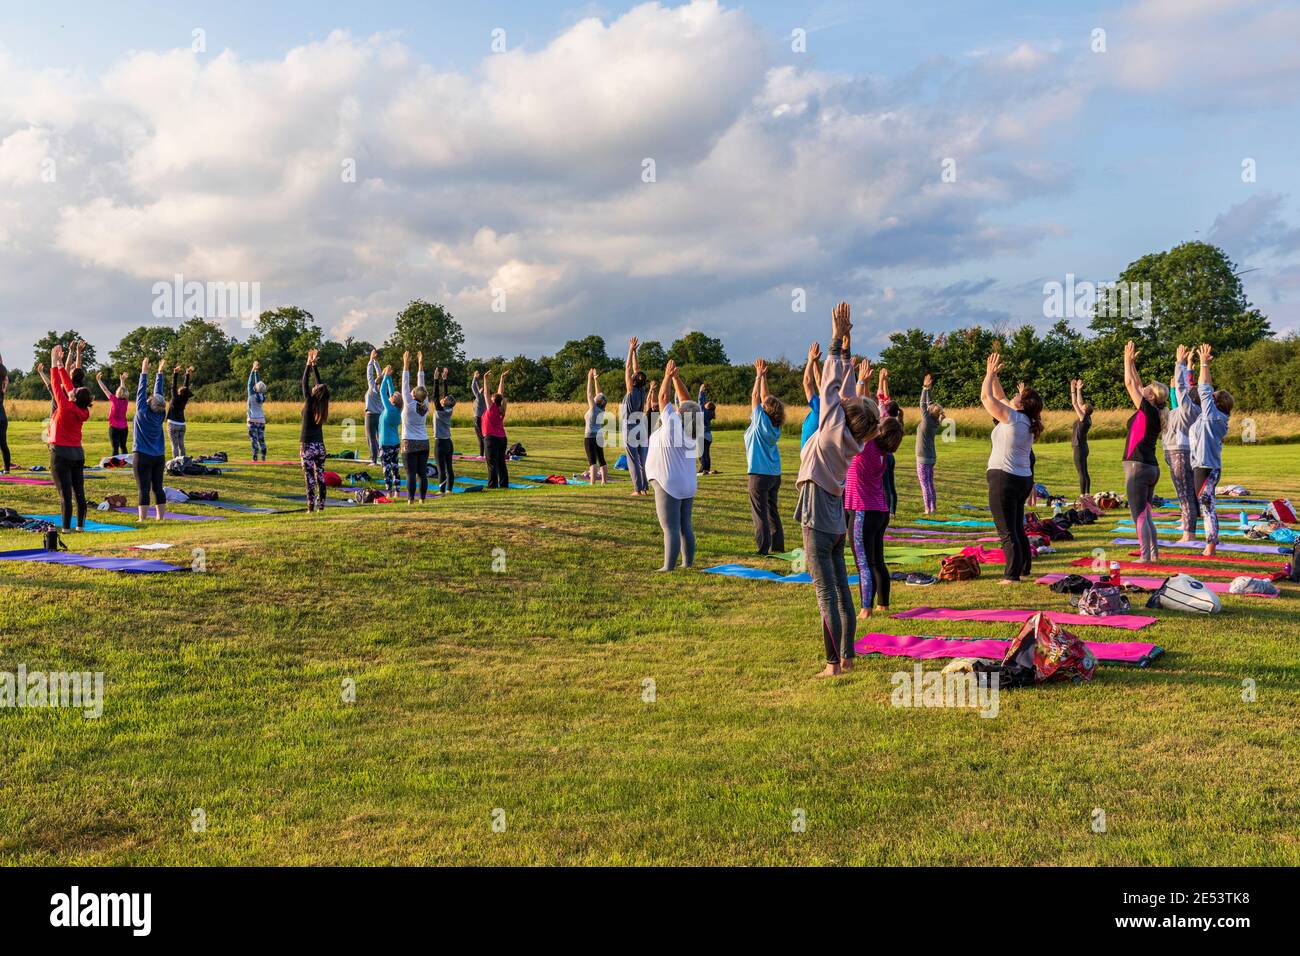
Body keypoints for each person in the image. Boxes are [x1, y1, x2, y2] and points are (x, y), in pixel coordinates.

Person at [796, 302, 877, 678]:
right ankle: (847, 655)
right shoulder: (852, 439)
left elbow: (830, 384)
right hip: (834, 516)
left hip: (817, 511)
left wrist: (836, 341)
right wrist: (847, 343)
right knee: (842, 589)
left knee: (825, 592)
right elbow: (841, 388)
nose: (847, 398)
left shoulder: (830, 428)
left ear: (844, 414)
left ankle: (833, 665)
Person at [980, 350, 1042, 583]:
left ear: (1022, 404)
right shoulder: (1023, 418)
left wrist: (987, 374)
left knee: (1006, 531)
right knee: (1016, 528)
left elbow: (987, 399)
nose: (1015, 395)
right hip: (1020, 479)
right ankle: (1024, 568)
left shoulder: (1013, 418)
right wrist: (994, 375)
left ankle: (1012, 575)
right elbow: (1000, 395)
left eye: (1020, 395)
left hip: (1004, 479)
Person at [847, 396, 903, 620]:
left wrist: (861, 386)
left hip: (863, 511)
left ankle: (865, 609)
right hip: (880, 511)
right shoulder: (883, 453)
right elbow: (876, 416)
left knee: (864, 562)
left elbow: (866, 414)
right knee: (877, 560)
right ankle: (883, 604)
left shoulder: (867, 445)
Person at [645, 359, 699, 571]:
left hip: (668, 482)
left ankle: (668, 566)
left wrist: (667, 376)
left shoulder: (673, 423)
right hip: (687, 483)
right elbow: (687, 401)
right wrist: (676, 378)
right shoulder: (694, 428)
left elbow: (663, 397)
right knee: (685, 525)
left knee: (670, 527)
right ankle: (688, 563)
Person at [1120, 340, 1168, 563]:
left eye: (1149, 387)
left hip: (1137, 467)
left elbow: (1129, 383)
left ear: (1151, 396)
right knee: (1146, 513)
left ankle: (1145, 557)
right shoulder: (1153, 410)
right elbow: (1136, 381)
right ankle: (1154, 554)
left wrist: (1126, 360)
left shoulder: (1147, 409)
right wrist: (1132, 363)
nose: (1144, 387)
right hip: (1150, 467)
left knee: (1138, 514)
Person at [1188, 343, 1232, 558]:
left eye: (1212, 398)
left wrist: (1204, 363)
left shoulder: (1213, 417)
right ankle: (1210, 543)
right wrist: (1189, 368)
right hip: (1206, 465)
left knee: (1207, 507)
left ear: (1216, 403)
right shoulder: (1211, 418)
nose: (1208, 398)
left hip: (1206, 467)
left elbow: (1204, 389)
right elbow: (1195, 393)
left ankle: (1211, 546)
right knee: (1206, 505)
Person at [48, 342, 92, 532]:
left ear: (74, 397)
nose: (72, 390)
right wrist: (60, 364)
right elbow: (66, 383)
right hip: (77, 454)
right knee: (79, 493)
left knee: (65, 494)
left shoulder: (65, 406)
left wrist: (54, 362)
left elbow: (56, 384)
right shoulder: (83, 411)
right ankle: (80, 527)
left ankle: (65, 528)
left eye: (74, 392)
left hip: (61, 453)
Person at [745, 358, 785, 555]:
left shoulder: (760, 420)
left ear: (764, 411)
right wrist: (764, 377)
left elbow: (755, 396)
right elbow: (764, 398)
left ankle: (762, 548)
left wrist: (758, 376)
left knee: (759, 512)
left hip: (758, 474)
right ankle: (777, 546)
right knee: (772, 511)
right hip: (774, 474)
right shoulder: (774, 424)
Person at [1162, 346, 1199, 541]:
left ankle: (1188, 532)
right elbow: (1186, 389)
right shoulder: (1199, 410)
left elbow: (1182, 390)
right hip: (1189, 452)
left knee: (1185, 495)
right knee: (1189, 494)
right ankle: (1188, 524)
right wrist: (1190, 365)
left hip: (1180, 452)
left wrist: (1181, 364)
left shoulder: (1185, 410)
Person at [132, 357, 169, 521]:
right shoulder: (161, 414)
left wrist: (144, 371)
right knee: (158, 487)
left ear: (150, 403)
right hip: (159, 457)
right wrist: (160, 373)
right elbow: (158, 393)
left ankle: (142, 518)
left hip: (142, 455)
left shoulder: (142, 411)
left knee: (143, 488)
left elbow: (142, 389)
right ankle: (160, 517)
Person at [300, 349, 330, 513]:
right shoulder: (322, 403)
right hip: (320, 446)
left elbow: (304, 383)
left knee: (310, 478)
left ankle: (310, 507)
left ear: (315, 392)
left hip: (308, 446)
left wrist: (307, 365)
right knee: (320, 476)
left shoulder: (310, 402)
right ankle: (321, 506)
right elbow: (320, 385)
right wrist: (314, 366)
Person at [400, 352, 431, 504]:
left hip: (409, 443)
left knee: (410, 474)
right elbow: (422, 387)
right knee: (422, 474)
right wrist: (420, 365)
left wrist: (406, 363)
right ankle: (422, 499)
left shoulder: (408, 405)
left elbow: (404, 382)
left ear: (413, 395)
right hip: (424, 442)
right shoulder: (426, 405)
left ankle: (411, 499)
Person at [622, 338, 650, 496]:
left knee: (632, 459)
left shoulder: (631, 390)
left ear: (633, 381)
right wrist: (634, 351)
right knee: (643, 459)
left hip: (631, 426)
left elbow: (628, 368)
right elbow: (636, 369)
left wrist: (629, 350)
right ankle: (644, 488)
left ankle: (637, 489)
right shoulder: (642, 390)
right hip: (641, 426)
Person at [915, 372, 942, 514]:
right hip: (931, 457)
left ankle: (928, 508)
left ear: (929, 412)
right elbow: (929, 404)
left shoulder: (926, 420)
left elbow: (922, 404)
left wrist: (925, 388)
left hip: (923, 458)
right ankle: (933, 507)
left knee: (924, 484)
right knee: (930, 483)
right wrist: (928, 389)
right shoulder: (935, 421)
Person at [875, 367, 899, 516]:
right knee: (891, 485)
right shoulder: (892, 418)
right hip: (891, 456)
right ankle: (893, 511)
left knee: (884, 486)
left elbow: (880, 396)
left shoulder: (883, 416)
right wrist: (885, 380)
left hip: (883, 455)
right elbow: (886, 397)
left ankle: (887, 509)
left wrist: (880, 378)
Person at [378, 364, 403, 497]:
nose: (390, 396)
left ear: (392, 401)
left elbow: (382, 392)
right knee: (395, 467)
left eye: (392, 397)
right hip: (395, 443)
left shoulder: (388, 409)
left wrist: (385, 376)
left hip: (386, 444)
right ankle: (397, 491)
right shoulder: (398, 410)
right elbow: (391, 391)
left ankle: (388, 491)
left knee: (386, 468)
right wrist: (388, 378)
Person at [483, 369, 510, 489]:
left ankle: (492, 485)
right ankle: (504, 484)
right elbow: (501, 394)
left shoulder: (492, 409)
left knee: (491, 464)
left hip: (491, 439)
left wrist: (485, 379)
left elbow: (486, 393)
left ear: (493, 401)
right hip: (502, 438)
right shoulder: (501, 408)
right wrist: (502, 379)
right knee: (501, 463)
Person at [95, 370, 132, 457]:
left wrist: (99, 380)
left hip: (114, 427)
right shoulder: (125, 401)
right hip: (124, 428)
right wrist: (122, 381)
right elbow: (123, 390)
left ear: (117, 393)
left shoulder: (114, 400)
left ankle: (115, 464)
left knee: (115, 448)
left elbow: (105, 389)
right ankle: (125, 462)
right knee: (123, 446)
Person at [431, 367, 456, 495]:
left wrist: (436, 379)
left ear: (445, 403)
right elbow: (444, 397)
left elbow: (435, 397)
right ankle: (449, 490)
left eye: (445, 399)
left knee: (441, 468)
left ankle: (441, 491)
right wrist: (444, 379)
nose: (443, 398)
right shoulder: (449, 410)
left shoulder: (441, 411)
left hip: (440, 443)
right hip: (448, 443)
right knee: (449, 467)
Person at [584, 368, 609, 486]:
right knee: (602, 459)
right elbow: (599, 394)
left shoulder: (593, 408)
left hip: (589, 437)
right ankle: (604, 481)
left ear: (596, 401)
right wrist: (595, 378)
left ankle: (592, 482)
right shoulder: (602, 409)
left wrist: (589, 379)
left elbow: (589, 393)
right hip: (599, 436)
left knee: (592, 460)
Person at [1070, 378, 1093, 496]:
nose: (1081, 407)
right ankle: (1087, 494)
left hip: (1079, 447)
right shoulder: (1087, 418)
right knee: (1084, 472)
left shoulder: (1083, 418)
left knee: (1081, 473)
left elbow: (1075, 403)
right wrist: (1079, 390)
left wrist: (1072, 389)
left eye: (1082, 407)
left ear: (1084, 411)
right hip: (1083, 447)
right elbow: (1079, 403)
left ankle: (1082, 496)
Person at [165, 365, 194, 459]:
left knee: (174, 445)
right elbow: (186, 387)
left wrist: (175, 374)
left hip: (172, 424)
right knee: (181, 444)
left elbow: (173, 386)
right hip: (182, 424)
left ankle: (176, 463)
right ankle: (184, 461)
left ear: (179, 392)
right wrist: (187, 375)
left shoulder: (175, 398)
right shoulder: (185, 398)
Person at [800, 342, 822, 450]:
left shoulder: (820, 408)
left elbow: (807, 383)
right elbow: (819, 382)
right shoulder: (832, 403)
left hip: (811, 460)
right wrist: (815, 362)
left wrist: (810, 361)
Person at [364, 349, 384, 464]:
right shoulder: (382, 389)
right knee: (380, 438)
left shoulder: (373, 388)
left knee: (371, 438)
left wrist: (371, 360)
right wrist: (376, 362)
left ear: (376, 382)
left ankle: (373, 460)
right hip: (380, 415)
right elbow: (379, 375)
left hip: (371, 415)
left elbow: (369, 374)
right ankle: (382, 458)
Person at [247, 361, 268, 461]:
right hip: (261, 420)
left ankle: (255, 456)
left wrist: (252, 370)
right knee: (261, 439)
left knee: (254, 440)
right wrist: (256, 371)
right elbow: (258, 383)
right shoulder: (262, 396)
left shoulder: (251, 395)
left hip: (252, 420)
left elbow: (250, 382)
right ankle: (263, 456)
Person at [697, 382, 716, 475]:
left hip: (703, 436)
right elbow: (703, 402)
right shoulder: (709, 412)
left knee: (701, 454)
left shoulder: (704, 412)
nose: (706, 403)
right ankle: (707, 468)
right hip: (709, 436)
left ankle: (703, 469)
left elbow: (700, 402)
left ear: (707, 407)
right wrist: (703, 392)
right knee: (706, 454)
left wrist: (701, 391)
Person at [470, 369, 488, 457]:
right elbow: (477, 387)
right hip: (483, 418)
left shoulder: (480, 397)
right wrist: (477, 379)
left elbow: (473, 387)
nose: (480, 388)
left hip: (478, 418)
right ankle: (485, 454)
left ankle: (482, 455)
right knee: (483, 436)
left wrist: (475, 378)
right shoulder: (485, 397)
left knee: (480, 437)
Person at [0, 352, 12, 473]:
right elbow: (5, 378)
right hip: (2, 418)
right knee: (3, 444)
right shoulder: (2, 389)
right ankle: (7, 469)